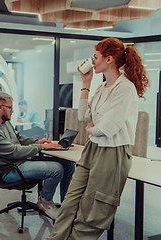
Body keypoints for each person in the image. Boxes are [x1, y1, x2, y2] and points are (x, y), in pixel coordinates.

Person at [47, 38, 149, 240]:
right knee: (70, 202)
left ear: (109, 59)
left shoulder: (126, 89)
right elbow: (83, 116)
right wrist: (86, 83)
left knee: (93, 209)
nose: (92, 61)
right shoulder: (101, 88)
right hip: (92, 150)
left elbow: (106, 128)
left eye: (96, 57)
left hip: (113, 153)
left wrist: (93, 130)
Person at [0, 92, 75, 220]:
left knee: (67, 164)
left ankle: (66, 207)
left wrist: (36, 142)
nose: (13, 111)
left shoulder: (4, 122)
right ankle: (45, 202)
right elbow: (14, 152)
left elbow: (18, 137)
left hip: (22, 161)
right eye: (10, 107)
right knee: (56, 169)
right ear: (0, 107)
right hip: (11, 169)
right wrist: (41, 147)